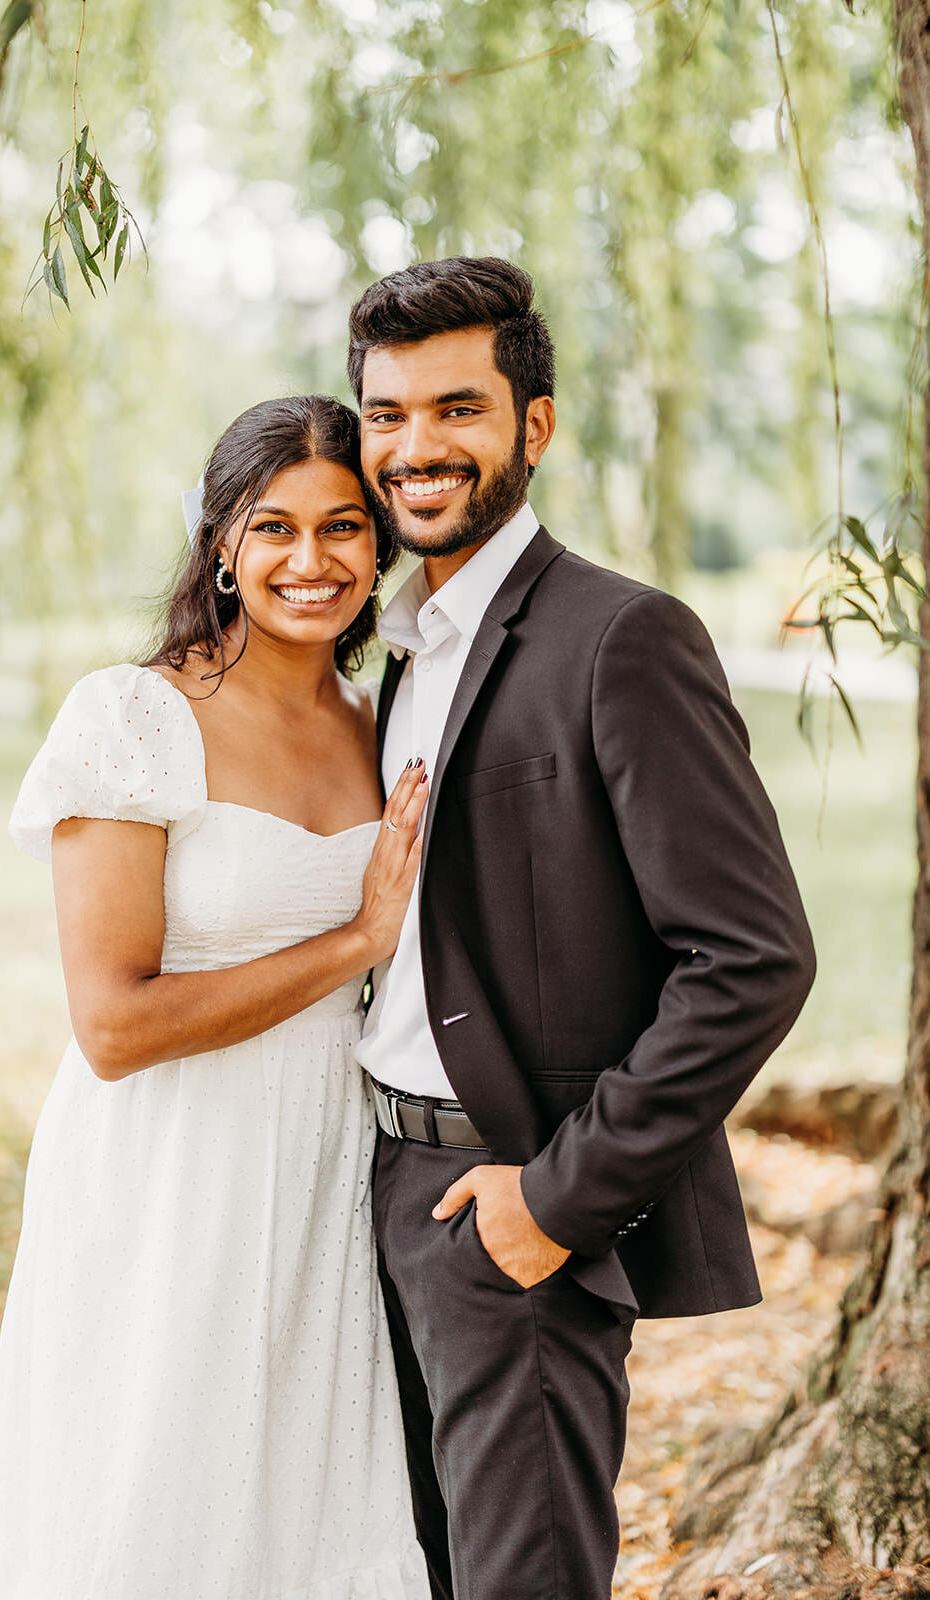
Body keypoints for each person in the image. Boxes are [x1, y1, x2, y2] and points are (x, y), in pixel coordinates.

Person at [348, 257, 817, 1600]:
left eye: (456, 408)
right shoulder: (402, 646)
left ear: (532, 425)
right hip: (370, 1193)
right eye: (385, 415)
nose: (415, 447)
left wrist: (556, 1203)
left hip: (510, 1214)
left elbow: (750, 958)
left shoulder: (620, 637)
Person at [0, 395, 431, 1600]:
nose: (308, 562)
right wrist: (356, 937)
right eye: (272, 528)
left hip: (326, 1157)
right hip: (166, 1166)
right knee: (152, 1491)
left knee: (301, 1499)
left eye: (341, 527)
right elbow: (113, 1026)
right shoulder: (133, 718)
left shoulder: (383, 725)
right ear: (219, 541)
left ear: (379, 545)